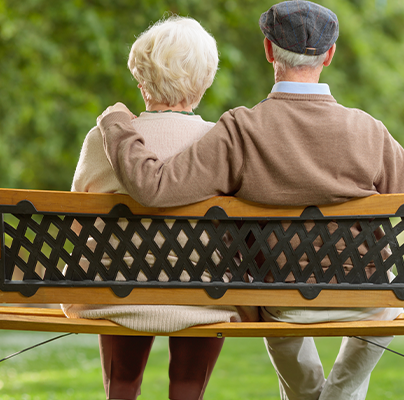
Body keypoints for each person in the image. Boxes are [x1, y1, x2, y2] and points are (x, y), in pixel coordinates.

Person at [95, 1, 404, 399]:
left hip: (282, 302)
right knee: (388, 304)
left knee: (273, 298)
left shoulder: (241, 130)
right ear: (329, 55)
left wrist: (115, 124)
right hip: (367, 299)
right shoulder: (367, 131)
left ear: (268, 50)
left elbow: (155, 187)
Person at [62, 16, 256, 400]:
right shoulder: (220, 142)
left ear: (141, 79)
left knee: (122, 384)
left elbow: (78, 218)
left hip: (114, 293)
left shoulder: (102, 139)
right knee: (187, 388)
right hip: (203, 298)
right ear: (205, 81)